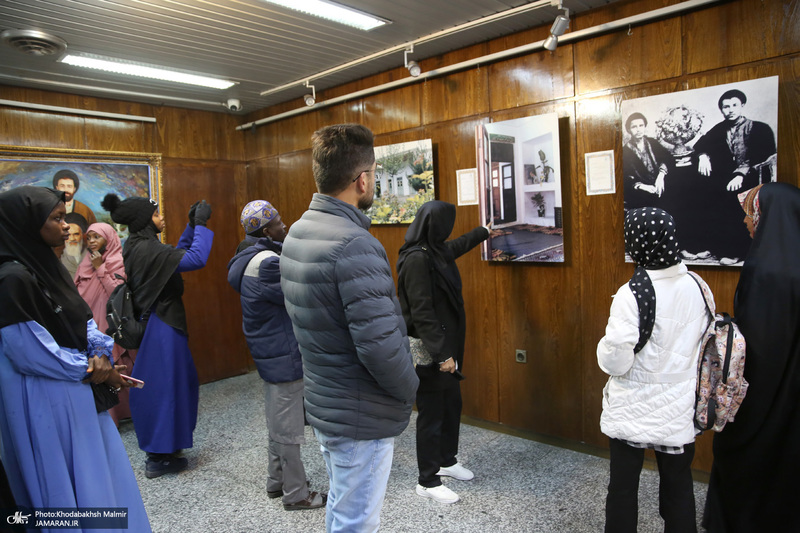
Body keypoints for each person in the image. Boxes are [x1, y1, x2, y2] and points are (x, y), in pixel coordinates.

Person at [280, 123, 419, 533]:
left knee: (343, 504)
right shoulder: (355, 244)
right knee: (357, 519)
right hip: (359, 411)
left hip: (327, 401)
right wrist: (412, 387)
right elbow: (378, 348)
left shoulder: (298, 231)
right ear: (362, 180)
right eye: (373, 172)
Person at [0, 186, 150, 531]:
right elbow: (30, 353)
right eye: (55, 219)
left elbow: (82, 320)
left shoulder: (43, 266)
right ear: (25, 224)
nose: (66, 226)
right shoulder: (12, 278)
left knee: (96, 474)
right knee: (68, 478)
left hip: (76, 388)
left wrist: (100, 355)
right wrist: (95, 370)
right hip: (46, 395)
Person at [597, 207, 708, 533]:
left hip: (634, 403)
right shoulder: (697, 285)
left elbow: (617, 361)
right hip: (679, 403)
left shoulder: (632, 294)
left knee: (623, 488)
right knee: (678, 485)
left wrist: (603, 350)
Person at [703, 182, 800, 532]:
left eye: (750, 214)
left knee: (744, 456)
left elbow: (757, 345)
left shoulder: (766, 271)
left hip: (762, 391)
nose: (746, 222)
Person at [103, 194, 213, 479]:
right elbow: (195, 258)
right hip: (161, 325)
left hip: (159, 323)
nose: (161, 217)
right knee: (164, 388)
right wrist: (201, 224)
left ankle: (167, 446)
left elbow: (174, 257)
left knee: (174, 384)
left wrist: (190, 227)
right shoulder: (146, 249)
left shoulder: (141, 245)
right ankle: (158, 456)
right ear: (144, 221)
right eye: (156, 214)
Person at [227, 200, 326, 511]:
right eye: (279, 223)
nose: (285, 226)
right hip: (283, 352)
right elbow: (299, 295)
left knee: (278, 418)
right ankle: (296, 493)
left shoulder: (248, 255)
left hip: (269, 348)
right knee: (288, 426)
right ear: (266, 230)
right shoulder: (268, 262)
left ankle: (276, 480)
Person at [396, 201, 489, 504]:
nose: (450, 230)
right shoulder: (416, 260)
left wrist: (485, 231)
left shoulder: (435, 250)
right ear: (437, 226)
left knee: (451, 404)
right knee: (432, 414)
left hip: (446, 348)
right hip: (431, 352)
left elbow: (459, 245)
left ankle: (447, 461)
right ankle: (427, 479)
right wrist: (442, 355)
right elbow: (422, 313)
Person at [692, 89, 776, 263]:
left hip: (753, 176)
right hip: (726, 177)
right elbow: (701, 144)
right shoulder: (719, 129)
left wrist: (741, 174)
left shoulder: (759, 128)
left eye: (734, 105)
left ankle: (735, 251)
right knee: (702, 193)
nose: (730, 110)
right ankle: (714, 247)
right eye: (725, 107)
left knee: (732, 197)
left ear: (742, 106)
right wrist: (703, 156)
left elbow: (764, 156)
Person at [74, 222, 134, 426]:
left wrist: (100, 268)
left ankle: (128, 412)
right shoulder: (84, 263)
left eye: (96, 237)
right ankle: (111, 416)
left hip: (109, 323)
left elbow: (116, 293)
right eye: (88, 237)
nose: (91, 242)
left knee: (118, 364)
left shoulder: (117, 261)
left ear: (109, 238)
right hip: (91, 323)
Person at [622, 112, 675, 209]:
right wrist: (642, 186)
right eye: (634, 127)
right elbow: (625, 177)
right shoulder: (625, 151)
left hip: (661, 184)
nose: (638, 130)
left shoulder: (652, 143)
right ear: (629, 130)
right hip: (641, 192)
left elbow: (668, 158)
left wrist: (661, 175)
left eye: (641, 125)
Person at [58, 212, 89, 278]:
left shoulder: (92, 255)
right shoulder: (57, 258)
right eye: (68, 234)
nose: (72, 239)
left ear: (82, 235)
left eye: (76, 234)